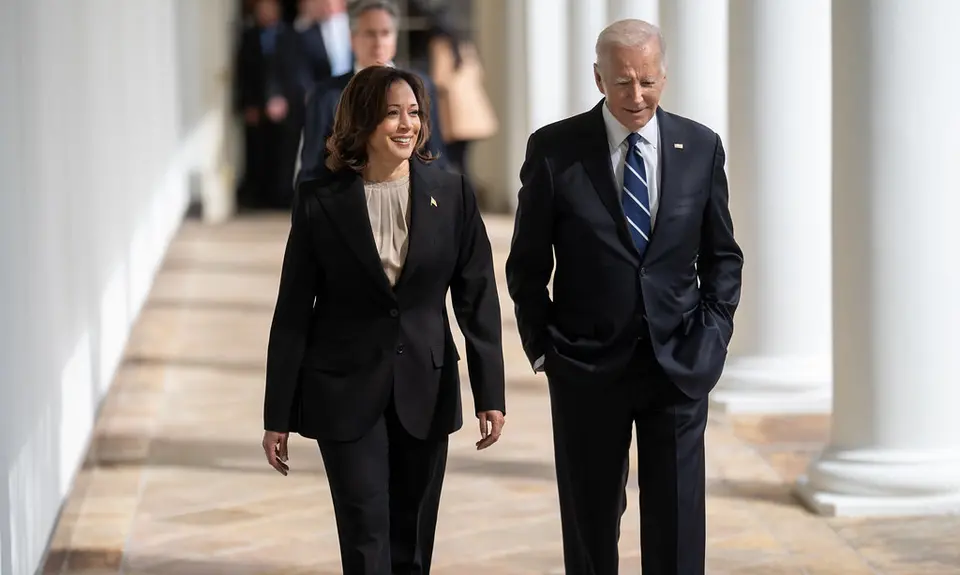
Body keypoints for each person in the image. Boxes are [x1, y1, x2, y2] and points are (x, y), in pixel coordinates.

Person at [505, 19, 743, 575]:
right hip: (586, 368)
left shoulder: (700, 146)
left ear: (664, 76)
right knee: (589, 527)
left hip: (679, 365)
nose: (636, 96)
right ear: (597, 79)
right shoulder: (554, 150)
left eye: (648, 81)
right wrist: (545, 349)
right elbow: (527, 263)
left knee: (679, 529)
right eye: (621, 82)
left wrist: (713, 335)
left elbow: (722, 256)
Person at [261, 65, 506, 575]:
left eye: (414, 113)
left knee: (413, 544)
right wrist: (277, 414)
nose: (406, 125)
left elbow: (477, 297)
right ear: (362, 122)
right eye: (392, 113)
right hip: (344, 390)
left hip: (426, 385)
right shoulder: (319, 201)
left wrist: (491, 395)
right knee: (364, 538)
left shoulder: (453, 194)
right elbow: (291, 314)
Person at [295, 0, 447, 189]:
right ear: (352, 38)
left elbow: (436, 157)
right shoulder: (325, 95)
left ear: (395, 37)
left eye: (385, 33)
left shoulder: (421, 87)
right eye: (370, 33)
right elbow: (312, 168)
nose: (378, 43)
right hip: (346, 203)